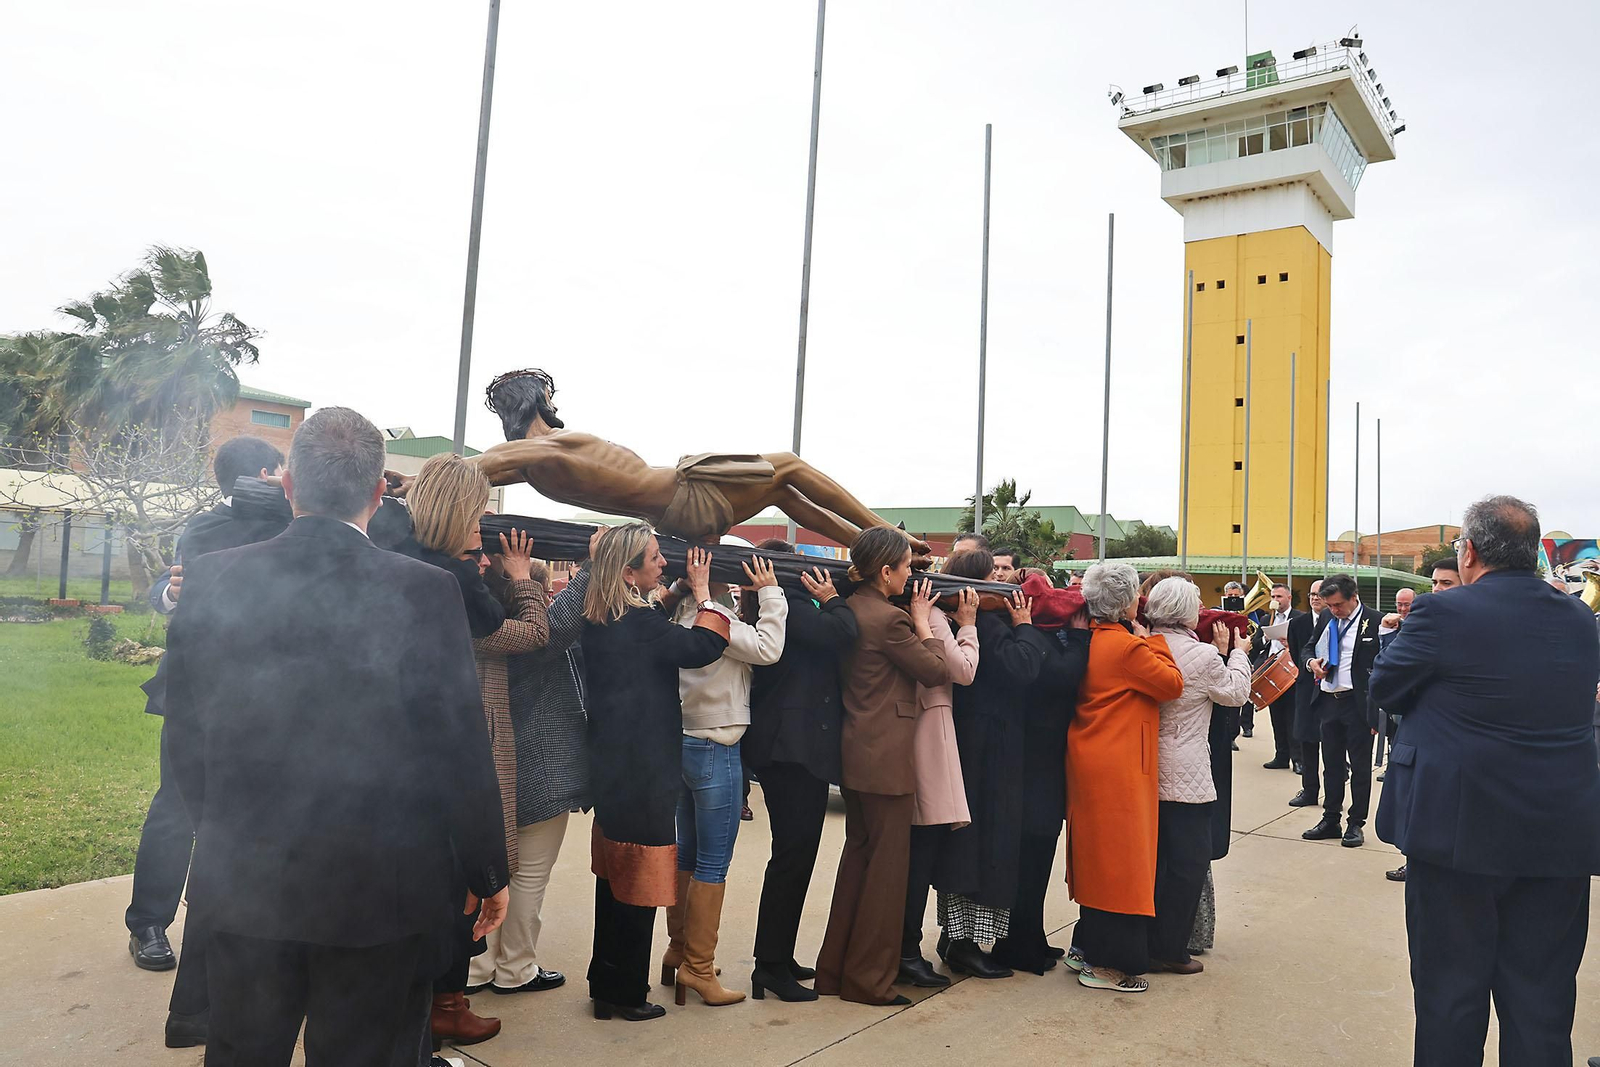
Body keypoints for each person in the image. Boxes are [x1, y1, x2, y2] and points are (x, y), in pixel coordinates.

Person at [162, 408, 510, 1064]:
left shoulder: (213, 579)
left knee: (243, 1053)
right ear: (380, 494)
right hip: (381, 888)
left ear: (289, 484)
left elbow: (184, 733)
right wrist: (487, 868)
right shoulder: (428, 590)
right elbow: (459, 745)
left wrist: (222, 829)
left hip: (247, 879)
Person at [1372, 496, 1600, 1067]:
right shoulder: (1579, 617)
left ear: (1469, 552)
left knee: (1451, 997)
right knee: (1543, 1004)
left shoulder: (1443, 613)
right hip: (1558, 837)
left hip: (1459, 835)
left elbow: (1384, 688)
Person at [127, 435, 288, 1049]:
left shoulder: (282, 524)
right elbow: (177, 591)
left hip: (257, 703)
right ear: (265, 476)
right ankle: (148, 923)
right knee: (177, 812)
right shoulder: (209, 530)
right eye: (281, 472)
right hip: (198, 700)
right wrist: (170, 594)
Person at [401, 454, 551, 1047]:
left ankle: (442, 1001)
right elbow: (528, 634)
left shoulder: (396, 557)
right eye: (478, 511)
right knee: (464, 879)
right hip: (466, 738)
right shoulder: (453, 580)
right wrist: (519, 580)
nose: (484, 523)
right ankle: (445, 1004)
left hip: (398, 750)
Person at [470, 369, 924, 550]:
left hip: (675, 516)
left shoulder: (532, 469)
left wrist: (412, 486)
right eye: (547, 395)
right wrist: (432, 477)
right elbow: (475, 466)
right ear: (535, 400)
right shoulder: (548, 448)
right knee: (788, 464)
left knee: (783, 492)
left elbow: (481, 471)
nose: (553, 402)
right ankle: (882, 532)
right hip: (688, 494)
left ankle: (867, 546)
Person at [580, 526, 729, 1022]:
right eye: (655, 557)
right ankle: (625, 994)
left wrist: (679, 592)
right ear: (628, 571)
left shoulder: (604, 613)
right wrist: (705, 593)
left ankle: (606, 985)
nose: (664, 563)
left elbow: (652, 627)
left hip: (613, 767)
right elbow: (702, 646)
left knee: (614, 881)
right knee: (640, 883)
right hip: (645, 770)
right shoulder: (637, 621)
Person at [814, 526, 947, 1006]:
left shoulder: (850, 608)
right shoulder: (891, 620)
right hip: (887, 758)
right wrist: (925, 623)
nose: (911, 576)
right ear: (885, 572)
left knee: (858, 864)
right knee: (887, 875)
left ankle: (835, 971)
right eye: (906, 568)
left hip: (857, 753)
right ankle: (869, 981)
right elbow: (936, 671)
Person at [472, 533, 602, 997]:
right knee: (527, 877)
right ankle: (515, 968)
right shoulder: (528, 639)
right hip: (540, 770)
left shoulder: (473, 627)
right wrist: (589, 564)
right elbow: (563, 622)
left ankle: (476, 968)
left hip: (490, 767)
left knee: (487, 871)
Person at [660, 554, 787, 1007]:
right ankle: (698, 967)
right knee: (713, 863)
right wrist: (771, 592)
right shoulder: (716, 619)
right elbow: (770, 648)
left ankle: (678, 951)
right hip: (717, 744)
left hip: (682, 740)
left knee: (688, 855)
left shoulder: (677, 612)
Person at [745, 542, 859, 1003]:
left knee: (796, 855)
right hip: (790, 752)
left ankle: (778, 956)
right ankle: (769, 966)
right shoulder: (791, 608)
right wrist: (832, 597)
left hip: (792, 750)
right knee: (792, 857)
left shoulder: (783, 607)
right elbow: (842, 631)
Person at [1063, 562, 1184, 993]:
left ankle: (1086, 946)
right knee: (1123, 865)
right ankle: (1109, 962)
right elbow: (1172, 684)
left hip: (1090, 757)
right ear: (1128, 601)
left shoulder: (1087, 640)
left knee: (1099, 858)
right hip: (1120, 767)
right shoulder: (1129, 648)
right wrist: (1151, 638)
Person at [931, 552, 1050, 980]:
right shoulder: (986, 626)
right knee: (982, 843)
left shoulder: (967, 621)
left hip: (976, 742)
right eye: (991, 580)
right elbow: (1024, 667)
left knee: (975, 841)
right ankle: (964, 943)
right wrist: (1025, 627)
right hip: (988, 748)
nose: (1001, 587)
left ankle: (957, 937)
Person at [1144, 577, 1252, 974]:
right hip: (1187, 767)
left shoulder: (1140, 642)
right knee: (1188, 864)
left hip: (1144, 763)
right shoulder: (1203, 655)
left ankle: (1145, 938)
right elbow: (1237, 693)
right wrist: (1237, 654)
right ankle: (1170, 948)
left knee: (1153, 862)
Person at [990, 572, 1089, 975]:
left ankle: (1030, 936)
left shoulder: (1039, 637)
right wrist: (1080, 638)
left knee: (1037, 854)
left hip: (1041, 761)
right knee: (1031, 853)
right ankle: (1018, 943)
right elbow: (1064, 675)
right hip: (1035, 765)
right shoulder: (1034, 639)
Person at [900, 575, 980, 990]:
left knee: (912, 854)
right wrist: (966, 624)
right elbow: (963, 671)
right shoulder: (930, 614)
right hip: (929, 734)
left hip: (907, 730)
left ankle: (906, 949)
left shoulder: (895, 607)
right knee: (920, 853)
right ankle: (907, 952)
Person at [1300, 574, 1381, 847]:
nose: (1334, 610)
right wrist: (1311, 662)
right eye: (1329, 605)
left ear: (1353, 598)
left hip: (1357, 704)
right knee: (1332, 764)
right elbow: (1308, 647)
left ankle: (1356, 822)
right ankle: (1330, 818)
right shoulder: (1326, 618)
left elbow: (1387, 666)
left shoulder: (1375, 622)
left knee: (1359, 767)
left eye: (1338, 605)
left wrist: (1378, 711)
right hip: (1328, 699)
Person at [1256, 583, 1304, 770]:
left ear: (1289, 598)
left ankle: (1298, 759)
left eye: (1279, 597)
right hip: (1271, 671)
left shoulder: (1299, 618)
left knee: (1292, 717)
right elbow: (1256, 644)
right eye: (1273, 597)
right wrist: (1266, 637)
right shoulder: (1267, 619)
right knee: (1276, 717)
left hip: (1290, 672)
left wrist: (1290, 643)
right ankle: (1281, 756)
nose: (1275, 600)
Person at [1287, 580, 1325, 806]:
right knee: (1307, 741)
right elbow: (1295, 654)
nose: (1314, 598)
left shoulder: (1337, 621)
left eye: (1319, 594)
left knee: (1332, 744)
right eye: (1311, 594)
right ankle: (1309, 790)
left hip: (1331, 690)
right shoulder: (1297, 624)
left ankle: (1333, 793)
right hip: (1306, 688)